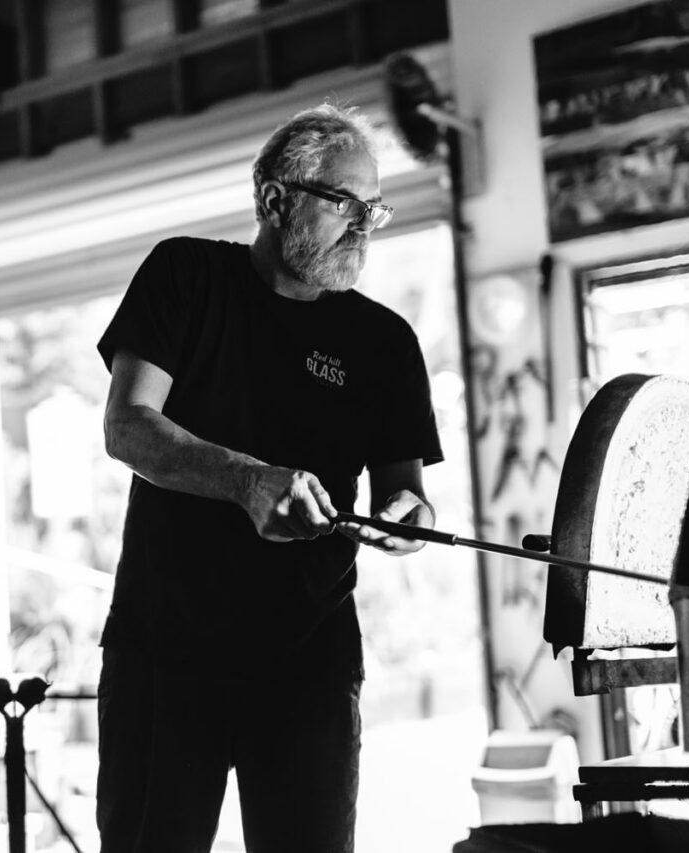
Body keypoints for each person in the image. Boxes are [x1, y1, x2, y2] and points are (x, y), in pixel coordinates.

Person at [94, 103, 443, 852]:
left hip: (306, 660)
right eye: (343, 201)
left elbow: (400, 491)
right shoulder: (186, 276)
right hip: (165, 649)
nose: (363, 224)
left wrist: (404, 516)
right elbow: (127, 425)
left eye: (372, 208)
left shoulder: (384, 342)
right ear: (274, 197)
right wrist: (248, 479)